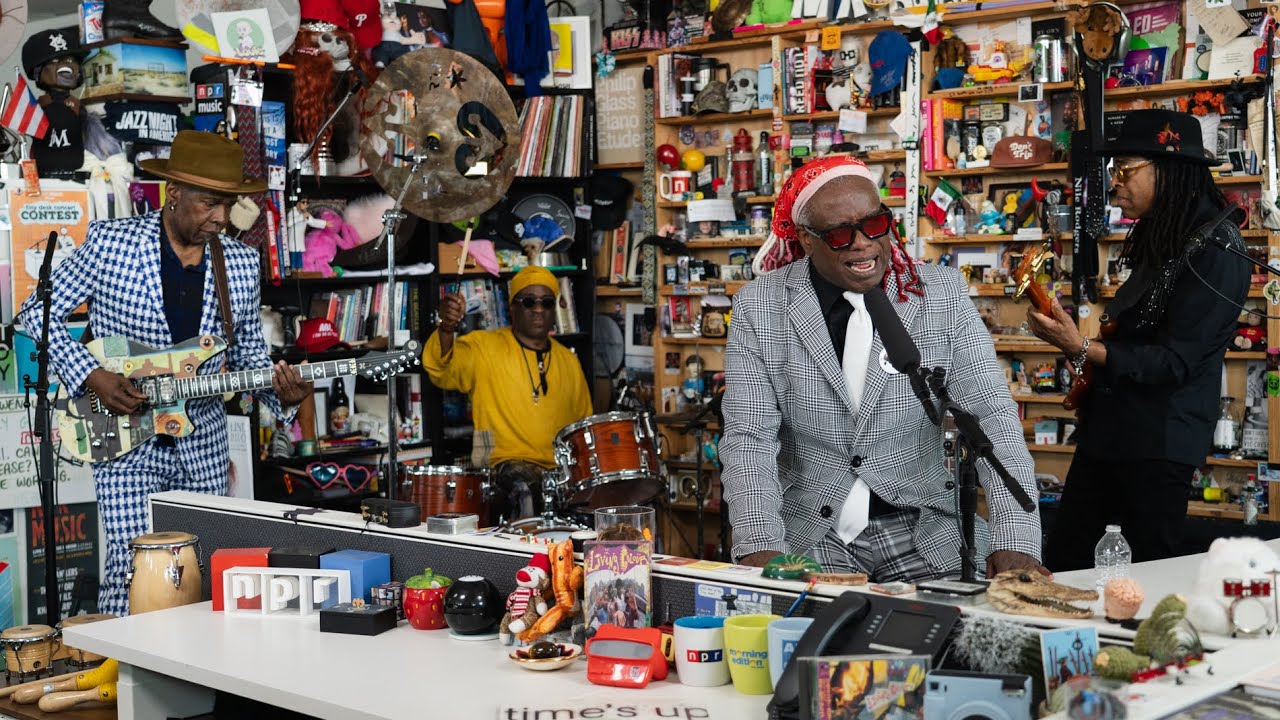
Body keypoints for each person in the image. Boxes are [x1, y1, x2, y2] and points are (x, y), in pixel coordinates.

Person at [19, 130, 311, 615]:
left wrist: (285, 395)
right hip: (125, 440)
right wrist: (93, 375)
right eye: (209, 204)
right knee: (132, 575)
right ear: (172, 193)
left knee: (201, 579)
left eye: (228, 204)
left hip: (204, 448)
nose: (221, 218)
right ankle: (127, 685)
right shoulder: (112, 243)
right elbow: (36, 314)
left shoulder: (238, 263)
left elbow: (247, 361)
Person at [721, 156, 1043, 581]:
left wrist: (1015, 539)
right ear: (807, 238)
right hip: (810, 533)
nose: (862, 244)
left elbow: (992, 417)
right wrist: (761, 546)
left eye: (874, 225)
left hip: (925, 525)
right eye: (839, 234)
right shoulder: (759, 307)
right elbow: (750, 439)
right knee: (808, 636)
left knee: (970, 633)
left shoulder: (939, 296)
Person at [1028, 109, 1250, 569]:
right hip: (1109, 432)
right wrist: (1083, 350)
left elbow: (1174, 362)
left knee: (1146, 574)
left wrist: (1082, 347)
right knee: (1068, 563)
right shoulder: (1163, 232)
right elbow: (1135, 332)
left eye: (1124, 170)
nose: (1114, 184)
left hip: (1157, 446)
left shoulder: (1217, 249)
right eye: (1113, 171)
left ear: (1167, 169)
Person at [424, 266, 592, 522]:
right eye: (528, 302)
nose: (538, 309)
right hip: (499, 465)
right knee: (524, 489)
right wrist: (446, 330)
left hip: (559, 472)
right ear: (512, 307)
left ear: (555, 309)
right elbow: (442, 368)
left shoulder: (568, 361)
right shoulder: (484, 346)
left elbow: (583, 428)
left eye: (546, 303)